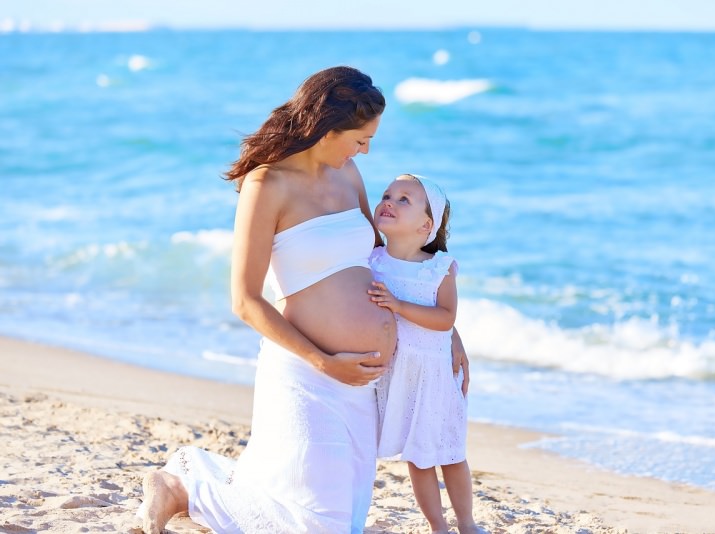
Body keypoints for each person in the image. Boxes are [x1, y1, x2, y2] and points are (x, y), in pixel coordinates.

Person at [138, 66, 468, 534]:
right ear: (327, 129)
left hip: (359, 385)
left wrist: (447, 330)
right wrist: (321, 361)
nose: (366, 151)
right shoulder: (266, 185)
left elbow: (385, 260)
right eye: (360, 139)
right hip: (305, 372)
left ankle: (186, 489)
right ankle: (180, 486)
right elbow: (246, 300)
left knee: (339, 521)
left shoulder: (348, 173)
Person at [367, 174, 478, 534]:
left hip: (435, 374)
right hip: (400, 373)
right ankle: (438, 527)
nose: (389, 201)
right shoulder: (372, 260)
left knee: (451, 454)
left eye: (404, 200)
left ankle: (466, 523)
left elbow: (446, 318)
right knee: (418, 458)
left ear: (426, 226)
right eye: (386, 195)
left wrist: (398, 305)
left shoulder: (438, 268)